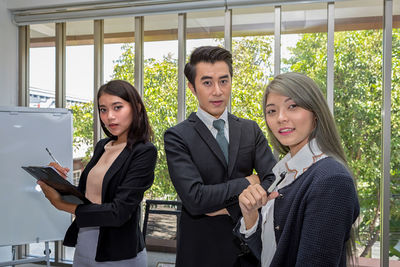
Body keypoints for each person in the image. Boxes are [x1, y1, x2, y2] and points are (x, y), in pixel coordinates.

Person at [164, 46, 276, 267]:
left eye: (224, 81)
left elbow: (274, 180)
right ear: (192, 88)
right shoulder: (178, 136)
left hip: (248, 253)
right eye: (207, 83)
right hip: (200, 254)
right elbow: (195, 199)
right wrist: (248, 182)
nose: (217, 91)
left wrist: (227, 207)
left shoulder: (250, 129)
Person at [236, 72, 360, 267]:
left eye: (292, 106)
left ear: (316, 113)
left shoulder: (330, 179)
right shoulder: (283, 172)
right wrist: (250, 216)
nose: (281, 118)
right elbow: (270, 255)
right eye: (271, 111)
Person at [38, 80, 157, 266]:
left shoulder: (144, 151)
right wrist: (58, 183)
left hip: (119, 253)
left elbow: (119, 212)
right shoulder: (103, 146)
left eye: (117, 107)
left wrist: (61, 204)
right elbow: (89, 196)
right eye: (103, 109)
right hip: (84, 243)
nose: (109, 116)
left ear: (137, 108)